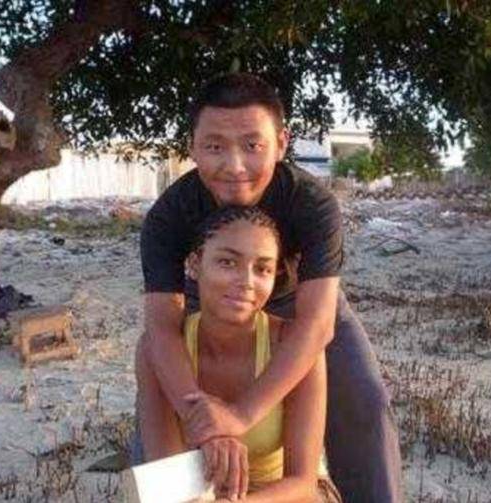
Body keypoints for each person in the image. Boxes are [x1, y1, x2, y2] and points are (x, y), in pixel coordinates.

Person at [138, 73, 402, 502]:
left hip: (304, 300)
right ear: (193, 147)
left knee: (364, 401)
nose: (234, 166)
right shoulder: (169, 216)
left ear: (281, 143)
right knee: (155, 432)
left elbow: (317, 324)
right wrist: (202, 421)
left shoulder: (312, 204)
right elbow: (162, 328)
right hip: (209, 297)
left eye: (252, 145)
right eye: (214, 147)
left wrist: (241, 415)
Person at [137, 205, 342, 502]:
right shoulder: (158, 350)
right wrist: (213, 435)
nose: (246, 281)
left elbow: (302, 483)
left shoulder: (292, 348)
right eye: (227, 262)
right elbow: (170, 477)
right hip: (199, 494)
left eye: (262, 269)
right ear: (195, 264)